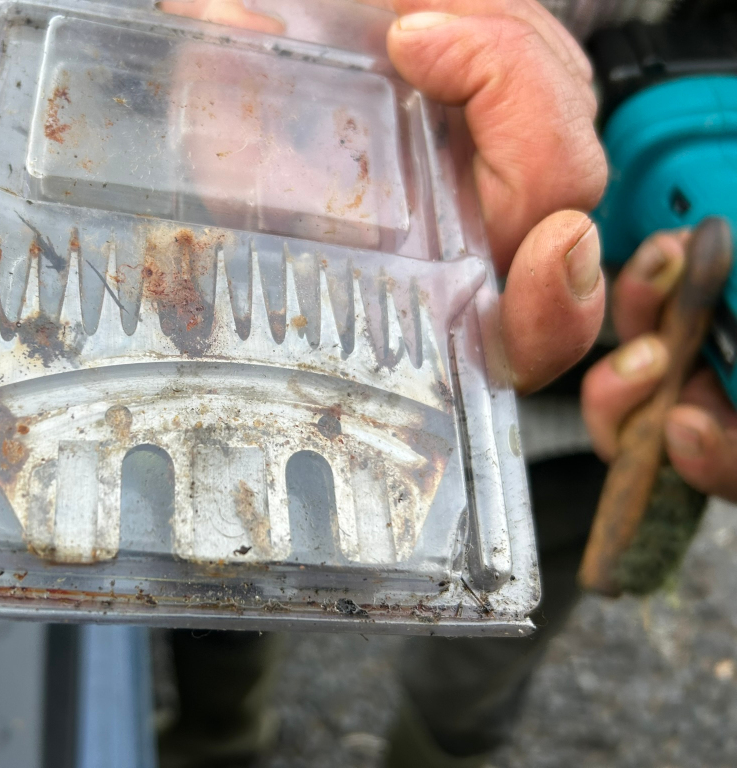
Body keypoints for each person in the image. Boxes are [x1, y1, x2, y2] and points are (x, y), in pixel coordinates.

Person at [158, 2, 737, 766]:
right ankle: (215, 736)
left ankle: (434, 746)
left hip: (572, 408)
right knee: (224, 553)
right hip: (273, 286)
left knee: (485, 643)